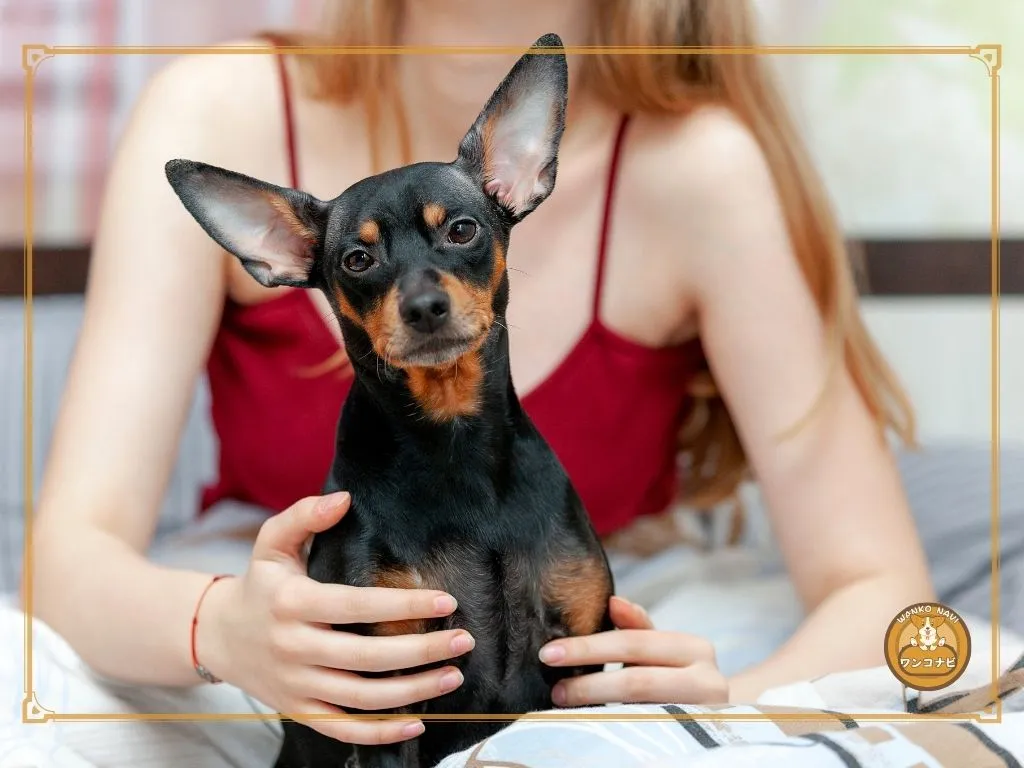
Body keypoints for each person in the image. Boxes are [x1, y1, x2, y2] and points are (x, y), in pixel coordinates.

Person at [23, 0, 935, 764]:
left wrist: (717, 712)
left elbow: (888, 593)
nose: (421, 296)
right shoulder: (215, 103)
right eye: (368, 264)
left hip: (595, 638)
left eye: (458, 238)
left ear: (518, 175)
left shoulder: (699, 167)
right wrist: (219, 630)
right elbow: (65, 565)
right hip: (264, 630)